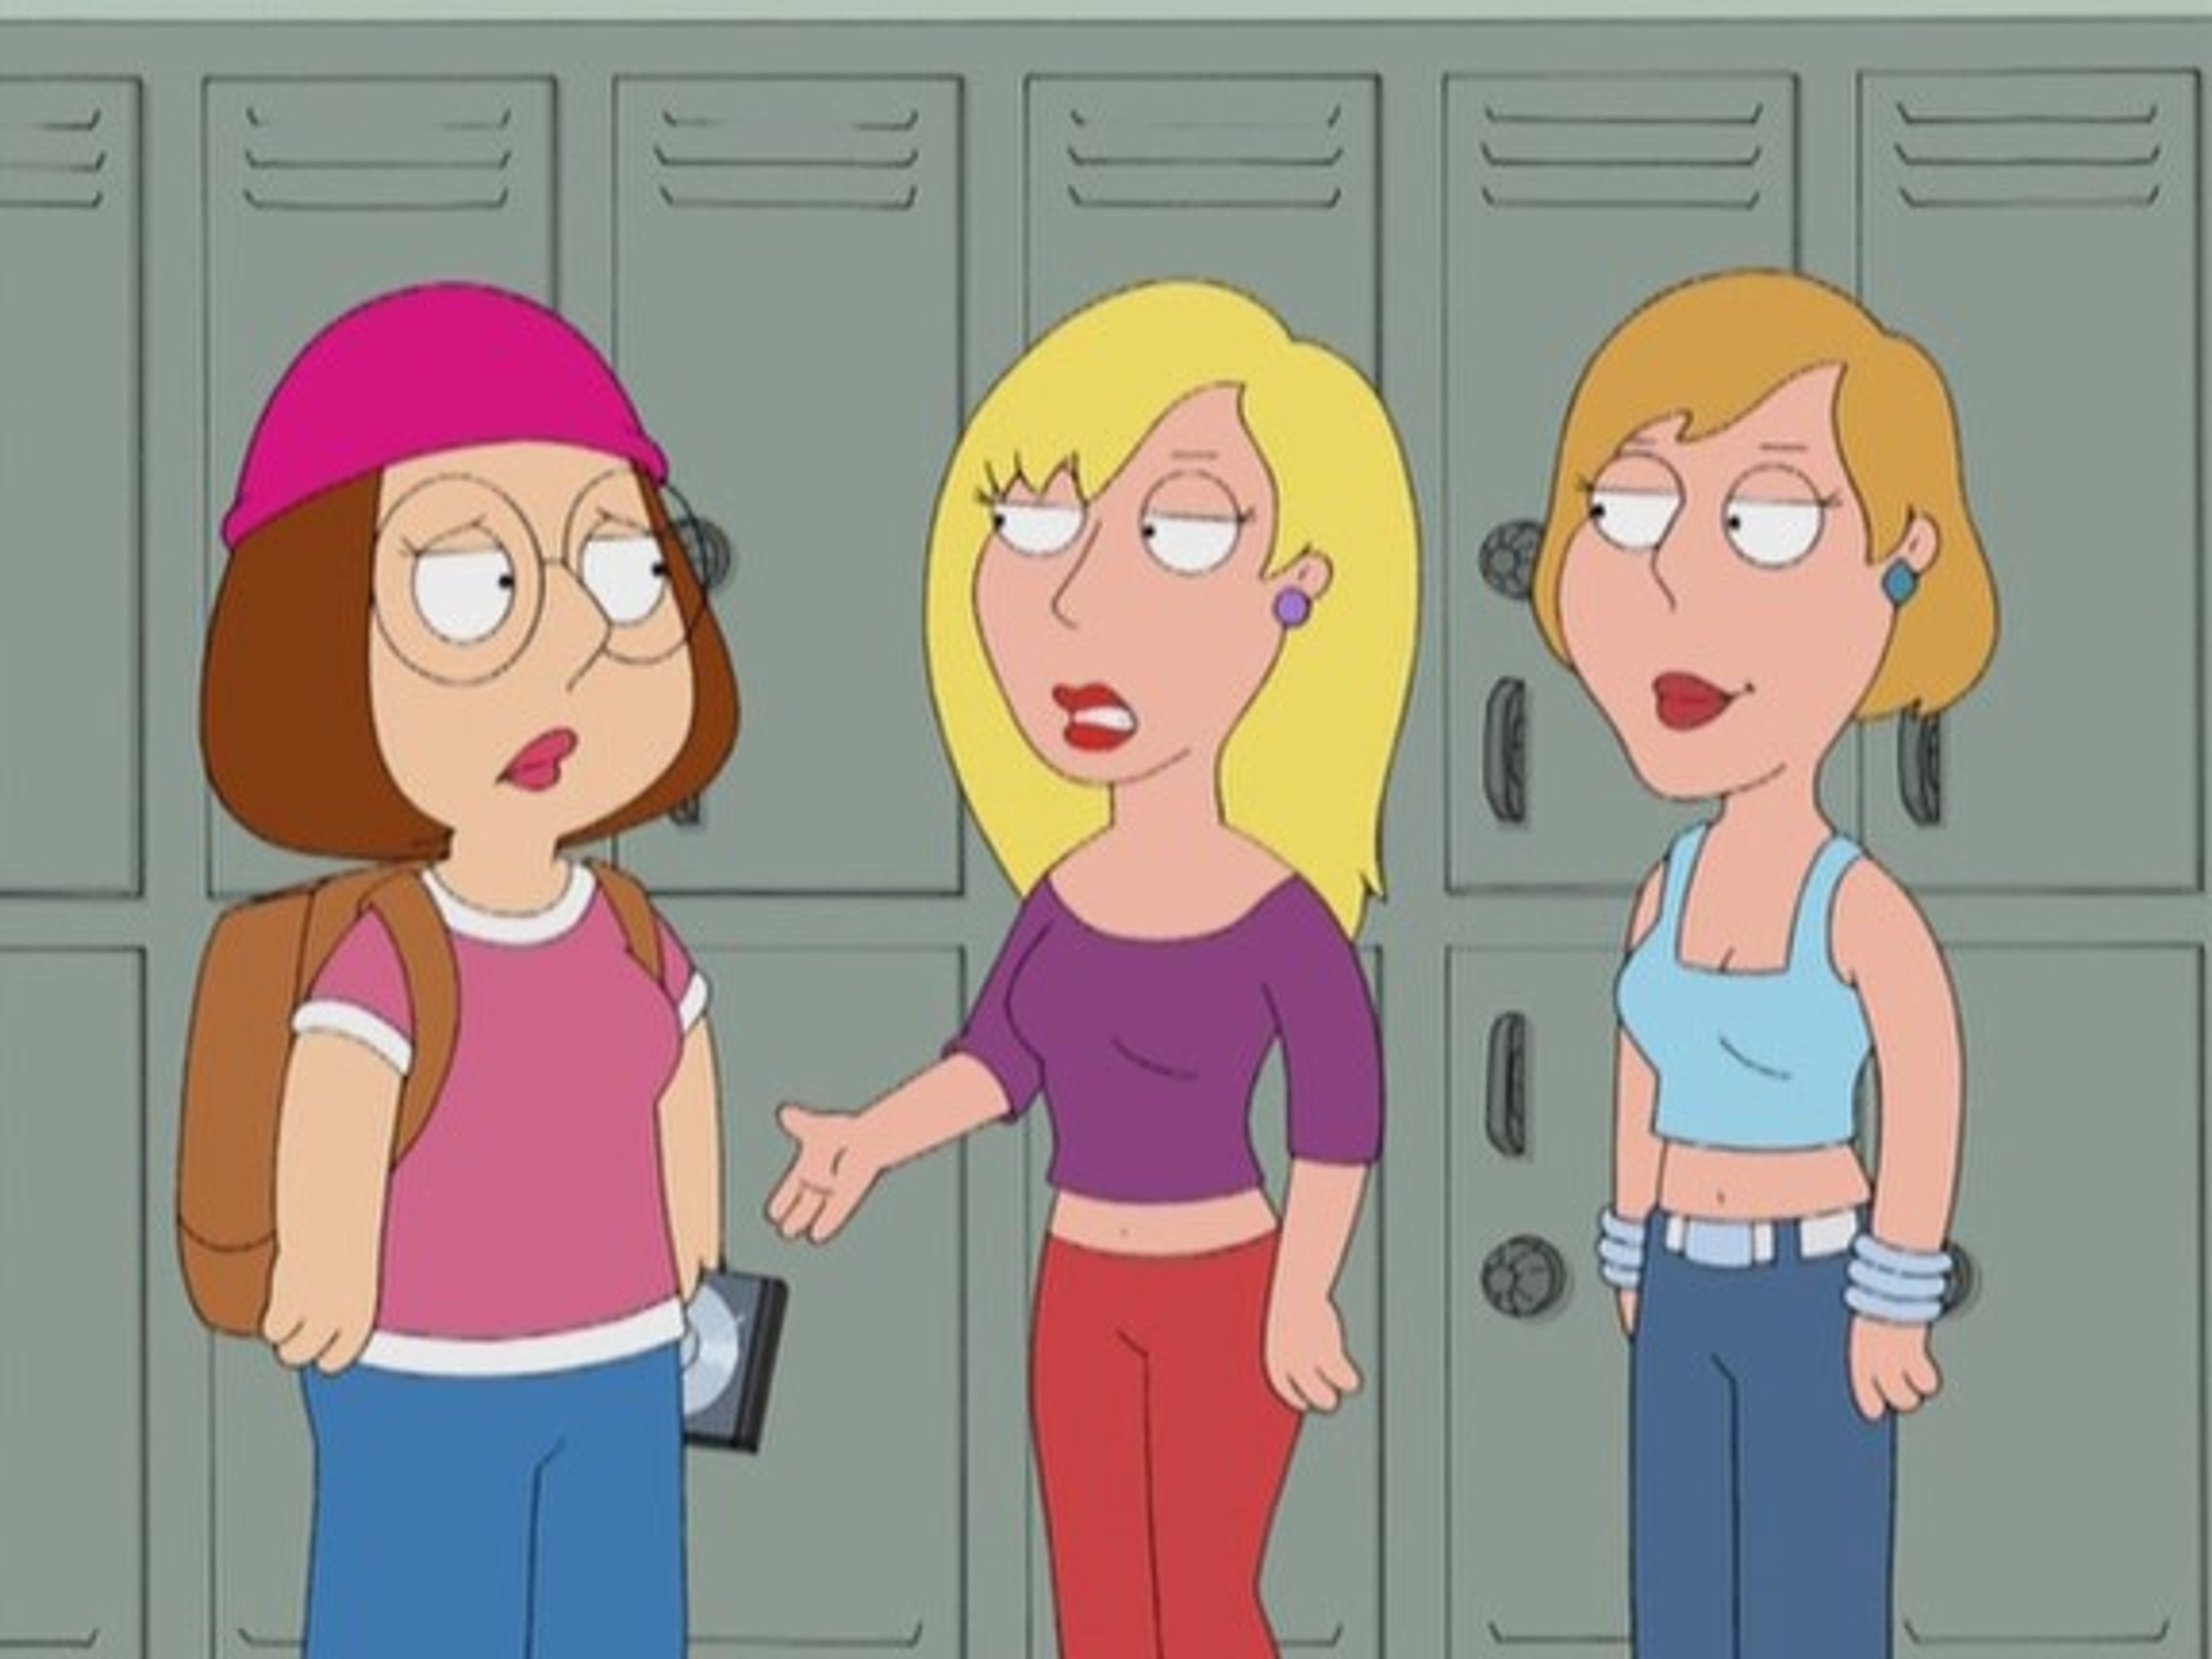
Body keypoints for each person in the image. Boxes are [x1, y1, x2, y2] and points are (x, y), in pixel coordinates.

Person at [766, 279, 1418, 1659]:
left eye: (1178, 532)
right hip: (1080, 1290)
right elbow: (999, 1064)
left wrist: (1304, 1286)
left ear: (1297, 597)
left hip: (1223, 1293)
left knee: (1206, 1608)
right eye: (1037, 524)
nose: (1074, 595)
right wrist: (869, 1141)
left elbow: (1339, 1118)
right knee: (1103, 1616)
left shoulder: (1283, 915)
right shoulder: (1062, 899)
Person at [200, 281, 740, 1658]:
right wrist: (326, 1259)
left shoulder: (629, 928)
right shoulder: (397, 949)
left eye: (620, 572)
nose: (569, 644)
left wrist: (697, 1255)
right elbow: (338, 1095)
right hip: (421, 1383)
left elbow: (681, 1074)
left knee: (613, 1629)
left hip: (622, 1366)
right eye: (471, 588)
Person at [1532, 268, 1998, 1658]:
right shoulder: (1661, 885)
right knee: (1678, 1611)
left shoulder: (1857, 906)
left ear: (1897, 566)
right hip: (1680, 1282)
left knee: (1809, 1613)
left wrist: (1893, 1295)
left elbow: (1926, 1082)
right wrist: (1629, 1248)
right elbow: (1636, 1062)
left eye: (1769, 521)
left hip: (1817, 1293)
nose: (1677, 579)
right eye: (1629, 513)